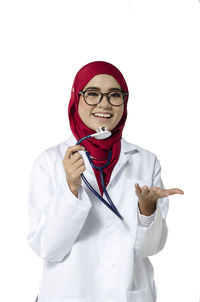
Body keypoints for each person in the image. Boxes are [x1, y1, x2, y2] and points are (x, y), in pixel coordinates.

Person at [27, 61, 184, 302]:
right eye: (92, 94)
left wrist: (147, 210)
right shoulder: (49, 162)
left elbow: (149, 249)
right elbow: (48, 248)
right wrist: (71, 187)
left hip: (127, 293)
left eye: (114, 95)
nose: (104, 104)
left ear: (125, 101)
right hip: (68, 294)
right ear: (76, 98)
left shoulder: (146, 161)